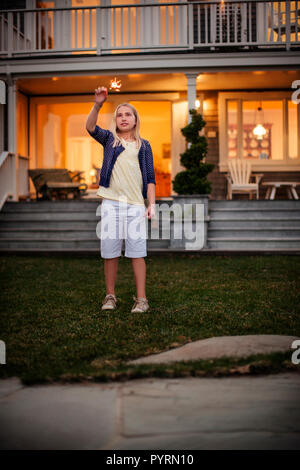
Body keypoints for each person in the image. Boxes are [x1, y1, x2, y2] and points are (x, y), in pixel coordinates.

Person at [86, 86, 156, 313]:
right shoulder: (109, 140)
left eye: (128, 114)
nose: (123, 118)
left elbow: (150, 178)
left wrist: (151, 203)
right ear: (115, 120)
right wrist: (98, 104)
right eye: (119, 114)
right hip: (111, 204)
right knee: (110, 251)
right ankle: (110, 296)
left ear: (136, 120)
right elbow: (89, 127)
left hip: (135, 205)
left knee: (137, 252)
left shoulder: (143, 145)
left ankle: (141, 299)